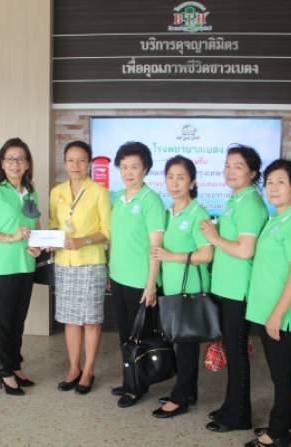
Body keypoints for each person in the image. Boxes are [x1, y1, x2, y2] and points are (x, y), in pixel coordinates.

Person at [244, 159, 291, 446]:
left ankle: (277, 434)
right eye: (269, 182)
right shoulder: (278, 219)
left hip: (283, 316)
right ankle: (290, 427)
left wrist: (276, 315)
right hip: (269, 311)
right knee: (279, 375)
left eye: (281, 182)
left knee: (282, 377)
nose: (273, 188)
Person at [200, 144, 268, 432]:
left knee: (237, 354)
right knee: (231, 349)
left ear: (252, 173)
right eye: (227, 165)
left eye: (238, 166)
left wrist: (214, 238)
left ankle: (239, 416)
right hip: (226, 287)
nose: (230, 171)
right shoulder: (236, 199)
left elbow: (245, 250)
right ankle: (231, 406)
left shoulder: (250, 203)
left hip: (239, 290)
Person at [0, 137, 42, 396]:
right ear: (2, 164)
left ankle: (15, 365)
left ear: (27, 164)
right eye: (10, 159)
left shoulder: (31, 191)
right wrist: (9, 238)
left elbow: (35, 226)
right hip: (2, 267)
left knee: (17, 321)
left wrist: (37, 246)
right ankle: (4, 371)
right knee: (3, 323)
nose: (15, 163)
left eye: (20, 159)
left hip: (26, 266)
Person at [151, 155, 213, 418]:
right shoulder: (168, 213)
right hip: (173, 288)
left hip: (191, 290)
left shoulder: (198, 213)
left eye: (181, 177)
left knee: (186, 347)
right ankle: (188, 391)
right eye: (170, 177)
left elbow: (207, 254)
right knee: (181, 343)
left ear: (192, 182)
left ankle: (180, 399)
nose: (174, 183)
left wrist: (171, 256)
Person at [49, 140, 111, 395]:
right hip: (64, 262)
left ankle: (88, 370)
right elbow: (54, 224)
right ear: (64, 163)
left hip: (91, 262)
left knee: (91, 320)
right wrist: (50, 239)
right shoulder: (57, 192)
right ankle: (74, 368)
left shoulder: (99, 192)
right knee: (71, 319)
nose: (76, 165)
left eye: (81, 160)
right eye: (71, 160)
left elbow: (107, 231)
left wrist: (82, 240)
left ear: (89, 163)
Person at [109, 141, 166, 408]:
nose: (129, 172)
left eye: (135, 166)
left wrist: (151, 285)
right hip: (119, 277)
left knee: (140, 337)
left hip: (140, 282)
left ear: (146, 169)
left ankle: (137, 387)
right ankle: (129, 379)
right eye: (124, 166)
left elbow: (156, 247)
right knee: (125, 335)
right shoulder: (119, 199)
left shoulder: (151, 201)